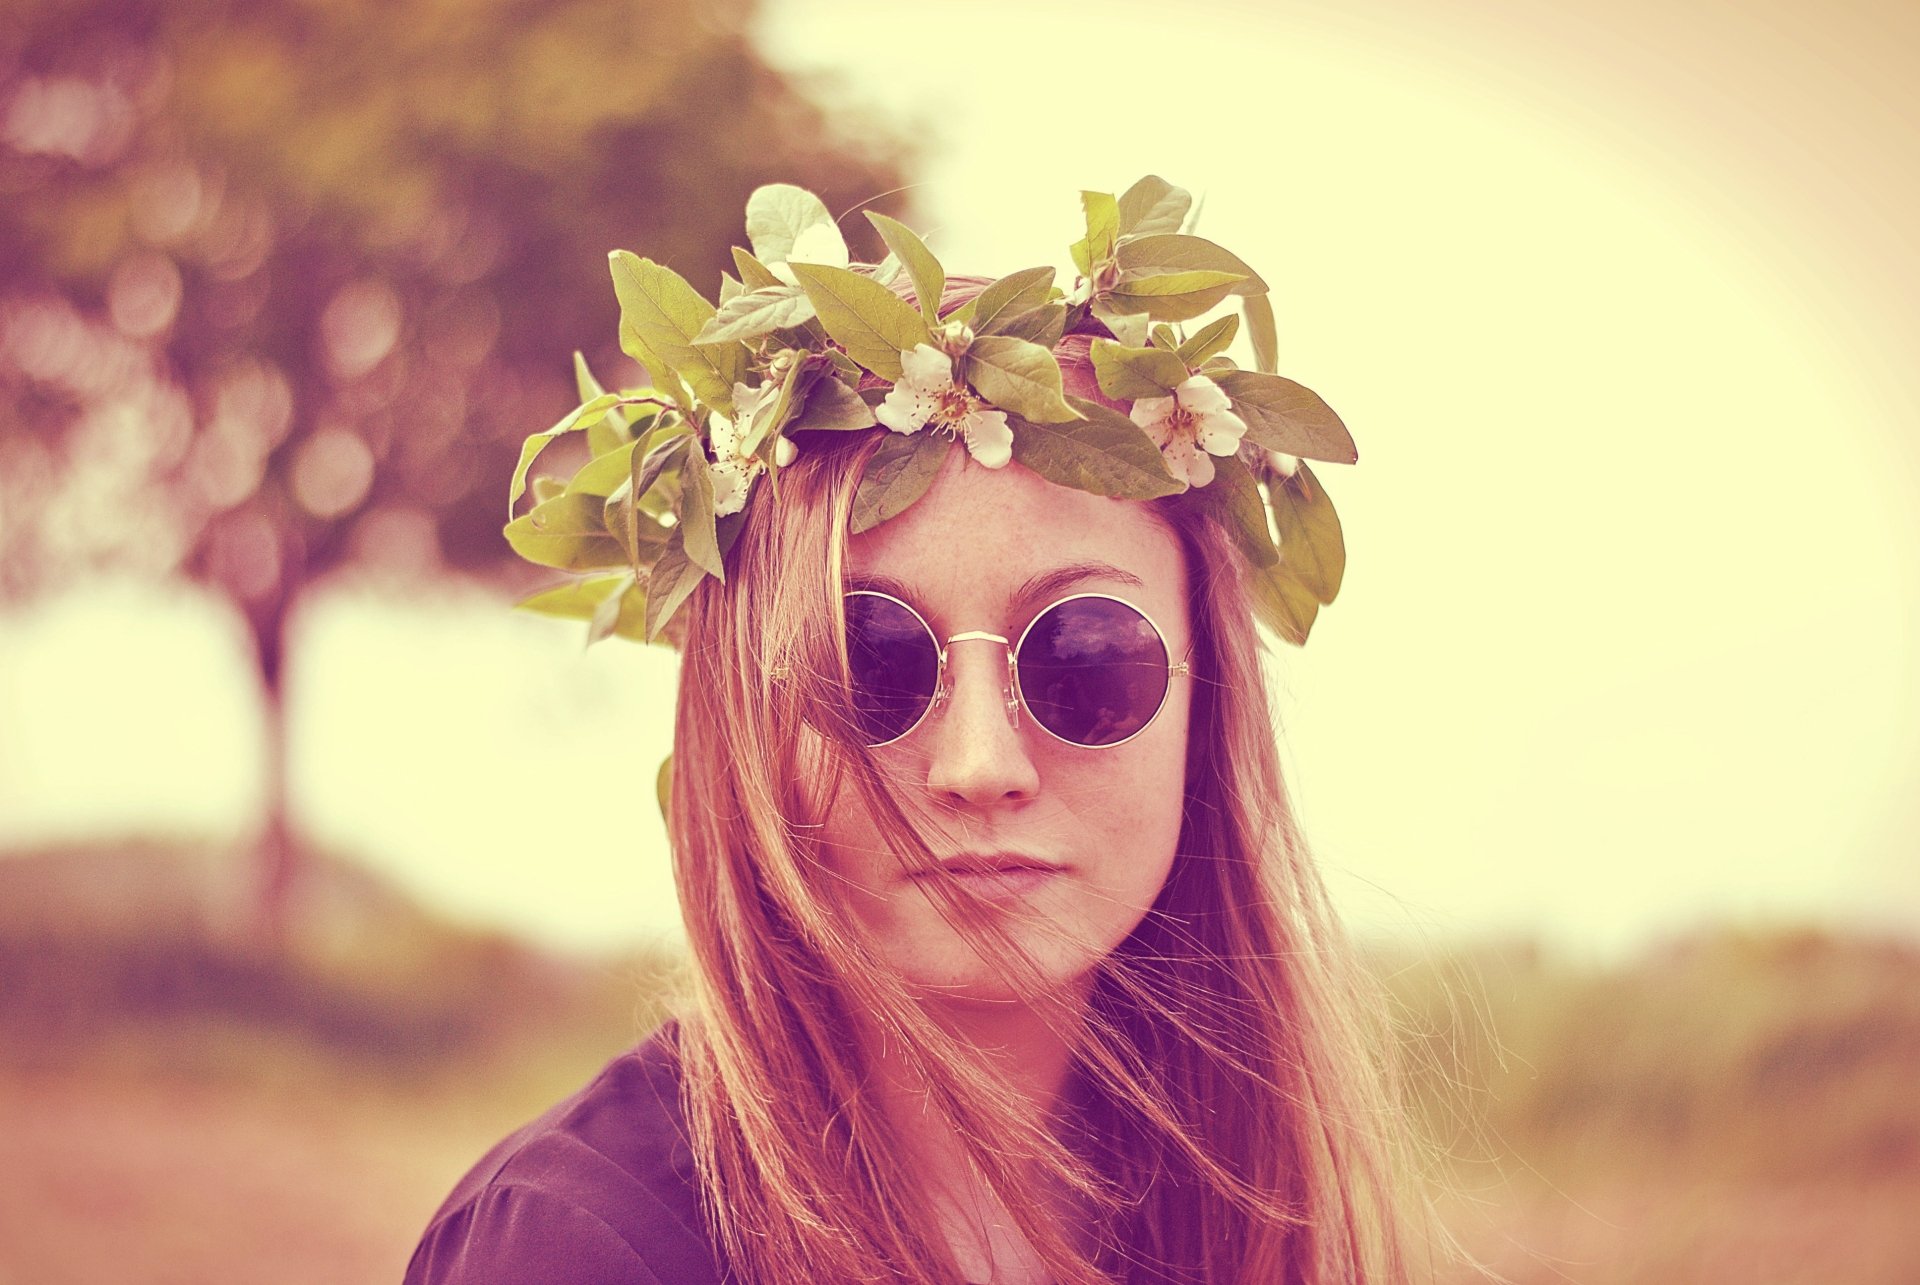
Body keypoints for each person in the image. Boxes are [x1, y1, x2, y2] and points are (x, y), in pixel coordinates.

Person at [408, 179, 1422, 1284]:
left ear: (1209, 699)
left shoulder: (1238, 1211)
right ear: (744, 720)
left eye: (1087, 655)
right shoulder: (572, 1250)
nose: (981, 765)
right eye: (868, 663)